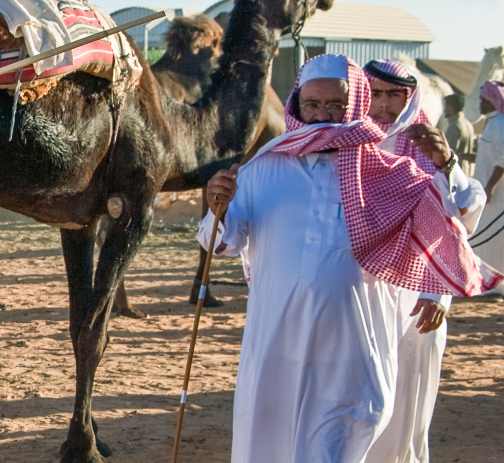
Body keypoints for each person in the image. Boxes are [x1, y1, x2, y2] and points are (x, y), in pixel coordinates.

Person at [202, 54, 492, 463]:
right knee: (268, 435)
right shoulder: (263, 165)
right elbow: (222, 239)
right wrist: (217, 207)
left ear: (354, 104)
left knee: (367, 426)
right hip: (278, 337)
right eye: (313, 105)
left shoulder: (393, 169)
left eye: (336, 105)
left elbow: (452, 218)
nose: (323, 115)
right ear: (296, 105)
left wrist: (449, 167)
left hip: (364, 333)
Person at [362, 59, 483, 462]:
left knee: (406, 409)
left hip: (416, 298)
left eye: (393, 94)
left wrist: (439, 292)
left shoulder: (429, 150)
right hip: (357, 296)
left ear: (409, 97)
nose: (383, 104)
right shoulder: (344, 145)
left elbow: (460, 216)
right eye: (375, 93)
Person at [472, 80, 504, 272]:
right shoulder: (493, 122)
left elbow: (502, 159)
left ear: (492, 100)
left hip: (495, 195)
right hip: (486, 192)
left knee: (493, 239)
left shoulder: (500, 124)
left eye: (482, 99)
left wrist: (490, 187)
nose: (479, 103)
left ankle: (495, 284)